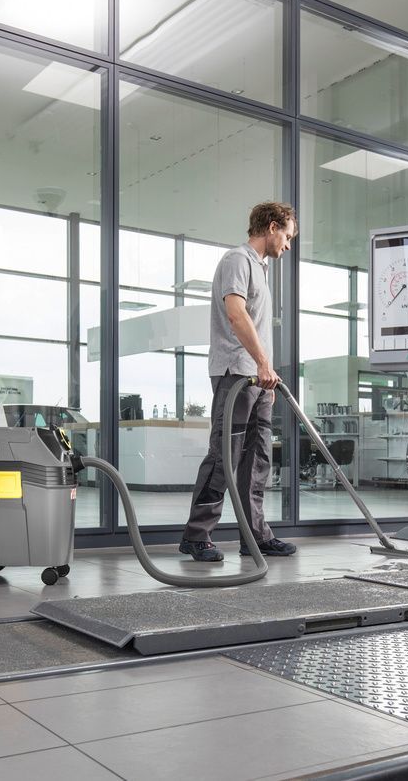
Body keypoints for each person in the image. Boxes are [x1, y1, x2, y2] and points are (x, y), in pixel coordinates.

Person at [179, 202, 298, 562]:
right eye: (287, 236)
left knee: (257, 459)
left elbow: (256, 326)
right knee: (224, 457)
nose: (287, 245)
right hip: (236, 374)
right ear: (272, 227)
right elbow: (235, 314)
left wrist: (266, 376)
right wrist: (262, 364)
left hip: (258, 380)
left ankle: (255, 536)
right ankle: (197, 536)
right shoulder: (237, 260)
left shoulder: (260, 270)